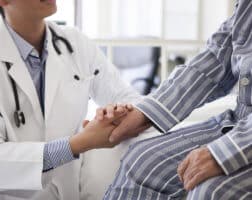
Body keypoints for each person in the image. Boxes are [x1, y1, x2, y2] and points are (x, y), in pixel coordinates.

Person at [0, 0, 141, 199]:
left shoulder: (75, 43)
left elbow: (129, 98)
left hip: (66, 189)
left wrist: (117, 113)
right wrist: (76, 144)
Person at [101, 0, 252, 199]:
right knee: (142, 161)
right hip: (241, 119)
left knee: (210, 191)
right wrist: (145, 113)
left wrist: (227, 153)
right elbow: (216, 57)